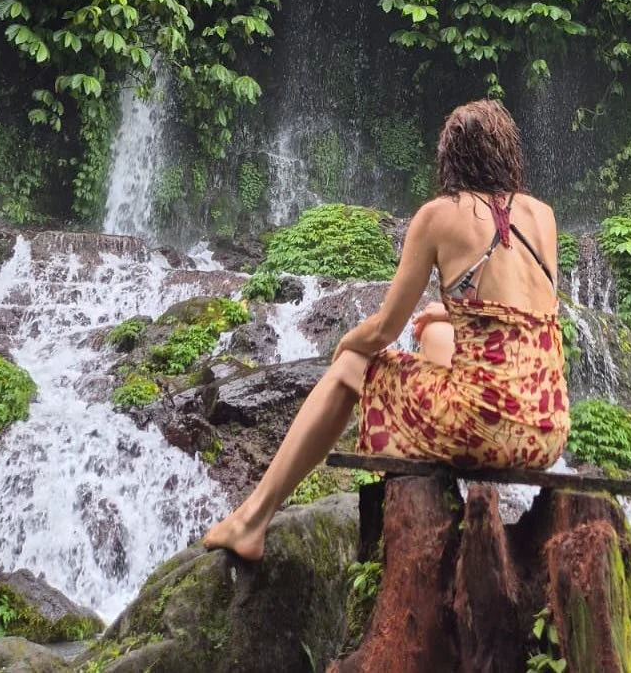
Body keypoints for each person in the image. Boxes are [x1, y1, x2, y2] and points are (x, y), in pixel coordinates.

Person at [204, 98, 568, 560]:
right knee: (432, 333)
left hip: (485, 426)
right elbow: (519, 318)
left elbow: (382, 330)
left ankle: (250, 520)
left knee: (352, 364)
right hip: (545, 432)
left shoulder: (439, 215)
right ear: (507, 152)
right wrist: (445, 314)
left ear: (451, 156)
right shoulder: (545, 216)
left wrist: (345, 345)